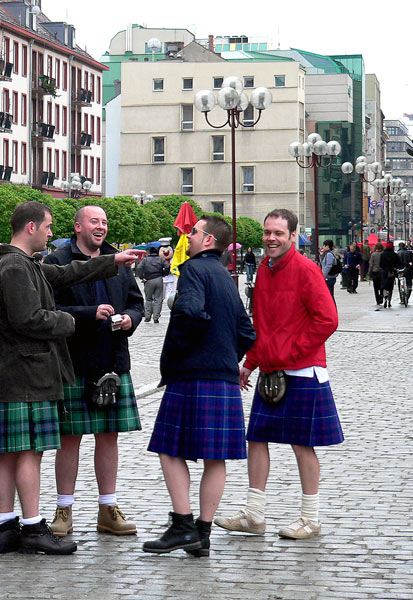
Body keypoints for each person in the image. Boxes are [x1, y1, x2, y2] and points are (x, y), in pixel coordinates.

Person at [0, 201, 140, 556]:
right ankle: (28, 526)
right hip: (25, 371)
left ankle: (8, 527)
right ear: (31, 228)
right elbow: (30, 319)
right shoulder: (14, 267)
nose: (51, 233)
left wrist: (112, 262)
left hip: (24, 370)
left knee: (12, 454)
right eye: (48, 227)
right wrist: (76, 322)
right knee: (25, 452)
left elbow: (66, 273)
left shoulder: (24, 263)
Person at [215, 208, 343, 540]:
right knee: (256, 438)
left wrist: (288, 353)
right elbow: (264, 327)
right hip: (272, 370)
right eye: (267, 232)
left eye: (278, 234)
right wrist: (250, 362)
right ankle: (254, 514)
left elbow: (327, 320)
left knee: (303, 444)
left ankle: (310, 518)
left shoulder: (307, 270)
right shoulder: (264, 269)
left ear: (292, 236)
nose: (271, 238)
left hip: (303, 372)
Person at [143, 215, 256, 557]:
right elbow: (247, 333)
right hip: (221, 376)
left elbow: (189, 313)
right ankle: (202, 535)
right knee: (215, 457)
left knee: (170, 449)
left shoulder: (192, 269)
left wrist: (180, 355)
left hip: (192, 374)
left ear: (208, 240)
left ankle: (182, 525)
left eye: (193, 232)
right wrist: (225, 357)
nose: (188, 236)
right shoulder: (225, 275)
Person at [43, 206, 143, 538]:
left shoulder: (118, 260)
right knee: (69, 439)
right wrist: (89, 314)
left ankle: (108, 509)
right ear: (77, 227)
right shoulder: (58, 260)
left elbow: (136, 302)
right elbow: (49, 309)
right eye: (94, 221)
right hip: (74, 361)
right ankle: (64, 509)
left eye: (104, 221)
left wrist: (130, 318)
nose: (101, 226)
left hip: (112, 359)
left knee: (108, 437)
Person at [137, 246, 170, 323]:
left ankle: (147, 316)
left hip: (148, 280)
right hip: (159, 279)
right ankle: (156, 317)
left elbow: (139, 268)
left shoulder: (145, 260)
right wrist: (164, 274)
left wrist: (142, 277)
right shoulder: (161, 259)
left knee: (148, 299)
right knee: (158, 299)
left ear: (150, 252)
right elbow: (167, 266)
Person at [380, 242, 400, 308]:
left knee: (384, 286)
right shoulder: (394, 254)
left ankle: (385, 296)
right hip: (391, 272)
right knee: (390, 287)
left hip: (384, 272)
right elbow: (398, 263)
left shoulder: (382, 254)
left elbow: (381, 264)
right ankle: (389, 301)